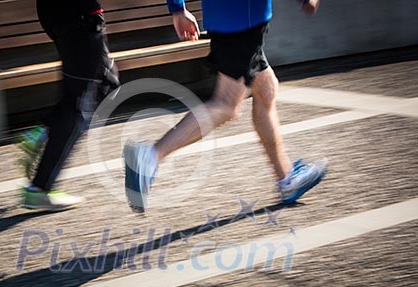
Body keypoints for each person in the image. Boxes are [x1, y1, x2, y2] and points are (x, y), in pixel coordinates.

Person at [124, 0, 327, 212]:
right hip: (242, 19)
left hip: (233, 18)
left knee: (266, 91)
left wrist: (178, 8)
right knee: (226, 104)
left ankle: (286, 179)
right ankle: (149, 157)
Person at [18, 0, 119, 211]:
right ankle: (40, 189)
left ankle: (43, 131)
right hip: (79, 15)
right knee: (78, 106)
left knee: (107, 80)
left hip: (59, 13)